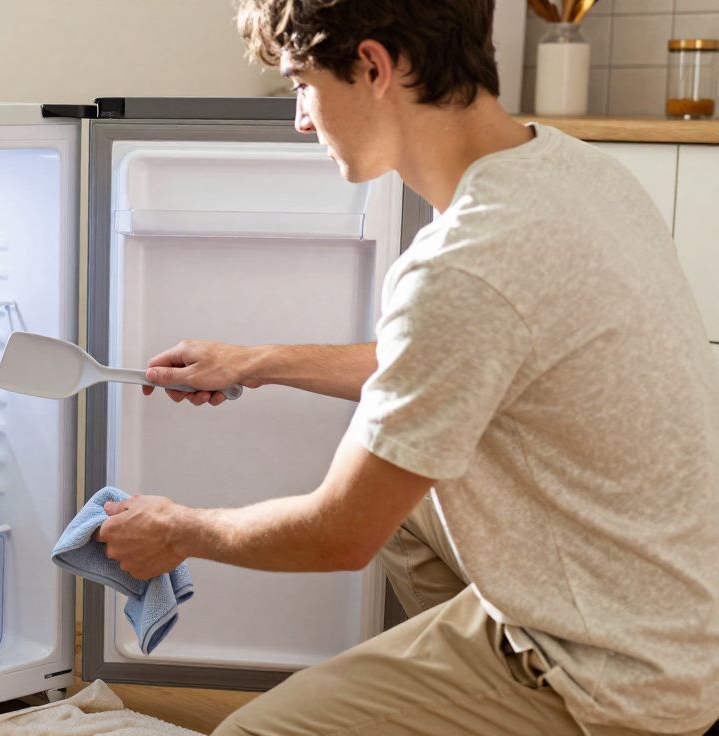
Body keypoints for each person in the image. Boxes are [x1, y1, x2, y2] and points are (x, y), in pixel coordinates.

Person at [93, 1, 719, 734]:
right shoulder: (576, 171)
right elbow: (444, 364)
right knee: (407, 499)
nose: (301, 118)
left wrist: (177, 528)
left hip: (615, 678)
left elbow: (339, 532)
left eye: (301, 83)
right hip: (676, 612)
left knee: (248, 733)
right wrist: (256, 362)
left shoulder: (464, 264)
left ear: (374, 67)